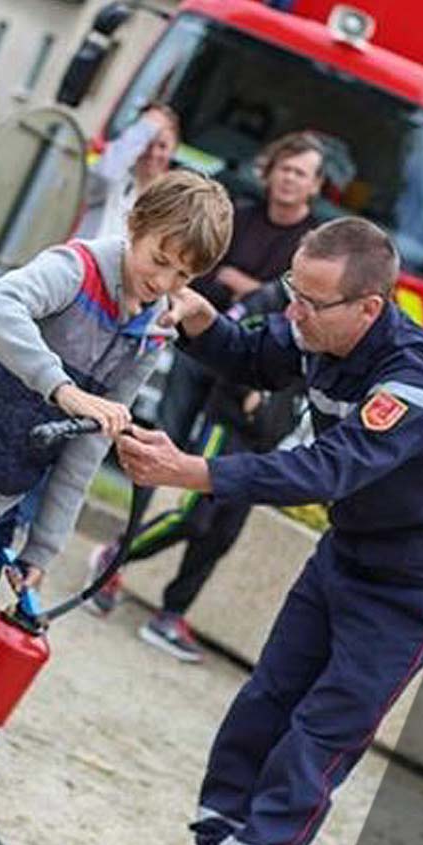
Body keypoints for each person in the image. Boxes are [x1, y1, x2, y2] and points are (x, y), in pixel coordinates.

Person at [82, 217, 423, 845]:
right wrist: (205, 321)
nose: (294, 313)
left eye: (310, 303)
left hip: (422, 583)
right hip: (351, 553)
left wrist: (192, 474)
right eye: (292, 294)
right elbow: (255, 355)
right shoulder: (318, 328)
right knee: (262, 708)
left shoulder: (418, 379)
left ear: (368, 308)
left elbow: (323, 472)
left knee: (316, 737)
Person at [0, 171, 234, 684]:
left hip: (2, 499)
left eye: (183, 277)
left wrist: (45, 546)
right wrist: (62, 388)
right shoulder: (74, 268)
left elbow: (88, 447)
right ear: (134, 224)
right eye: (159, 261)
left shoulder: (150, 332)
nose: (164, 283)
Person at [86, 280, 303, 663]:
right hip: (228, 427)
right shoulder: (269, 301)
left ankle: (171, 614)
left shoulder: (326, 322)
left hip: (264, 444)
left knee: (221, 535)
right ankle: (114, 557)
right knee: (194, 516)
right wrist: (250, 399)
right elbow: (233, 348)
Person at [155, 132, 325, 450]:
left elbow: (297, 305)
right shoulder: (236, 217)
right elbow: (198, 274)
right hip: (199, 342)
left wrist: (245, 286)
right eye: (284, 168)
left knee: (218, 452)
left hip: (254, 365)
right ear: (269, 172)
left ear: (315, 185)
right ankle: (146, 498)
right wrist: (257, 291)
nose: (289, 178)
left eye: (300, 173)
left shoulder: (314, 244)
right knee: (166, 433)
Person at [78, 104, 180, 241]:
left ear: (173, 151)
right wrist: (147, 126)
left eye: (162, 146)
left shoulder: (170, 199)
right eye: (147, 144)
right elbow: (104, 174)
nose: (153, 153)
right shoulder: (115, 175)